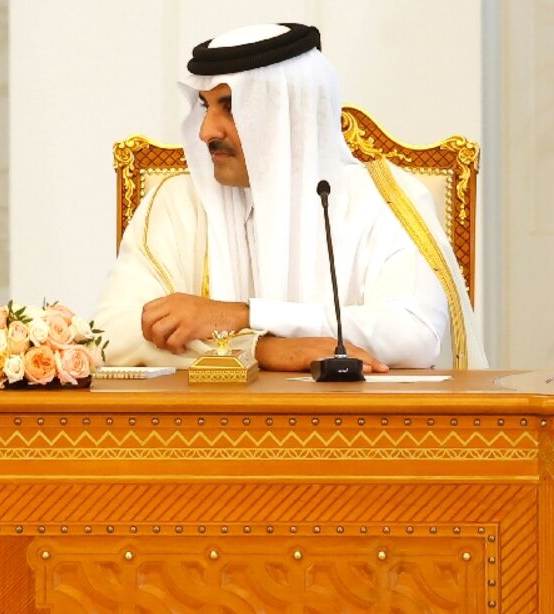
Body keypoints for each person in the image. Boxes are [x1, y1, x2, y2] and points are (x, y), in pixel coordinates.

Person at [93, 23, 486, 371]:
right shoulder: (176, 202)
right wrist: (262, 349)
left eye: (229, 106)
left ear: (288, 113)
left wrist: (241, 316)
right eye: (205, 106)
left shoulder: (385, 198)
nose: (206, 132)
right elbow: (110, 333)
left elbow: (415, 333)